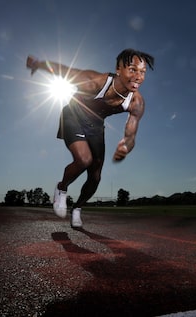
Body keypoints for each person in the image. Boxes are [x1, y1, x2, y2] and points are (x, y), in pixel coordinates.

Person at [26, 49, 154, 228]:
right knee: (84, 160)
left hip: (96, 126)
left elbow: (131, 135)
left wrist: (126, 146)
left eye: (142, 72)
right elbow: (65, 72)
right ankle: (61, 188)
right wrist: (38, 64)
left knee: (96, 176)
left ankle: (77, 208)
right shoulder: (96, 82)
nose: (138, 76)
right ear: (118, 69)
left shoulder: (136, 102)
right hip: (73, 115)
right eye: (132, 69)